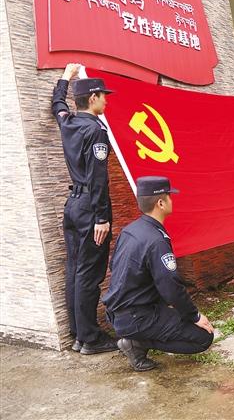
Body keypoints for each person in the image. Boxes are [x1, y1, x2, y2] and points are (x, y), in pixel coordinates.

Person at [103, 177, 214, 372]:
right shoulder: (156, 240)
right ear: (160, 203)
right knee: (203, 337)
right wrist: (195, 316)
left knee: (172, 313)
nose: (172, 200)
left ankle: (137, 337)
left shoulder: (130, 230)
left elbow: (115, 267)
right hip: (137, 316)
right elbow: (171, 287)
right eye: (169, 196)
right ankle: (137, 343)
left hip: (118, 313)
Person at [51, 63, 118, 355]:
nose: (106, 101)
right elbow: (97, 179)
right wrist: (102, 218)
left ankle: (79, 334)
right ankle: (90, 338)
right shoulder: (95, 131)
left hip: (73, 207)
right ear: (92, 98)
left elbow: (57, 104)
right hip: (91, 208)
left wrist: (66, 77)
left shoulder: (67, 122)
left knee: (75, 270)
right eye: (103, 96)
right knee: (89, 273)